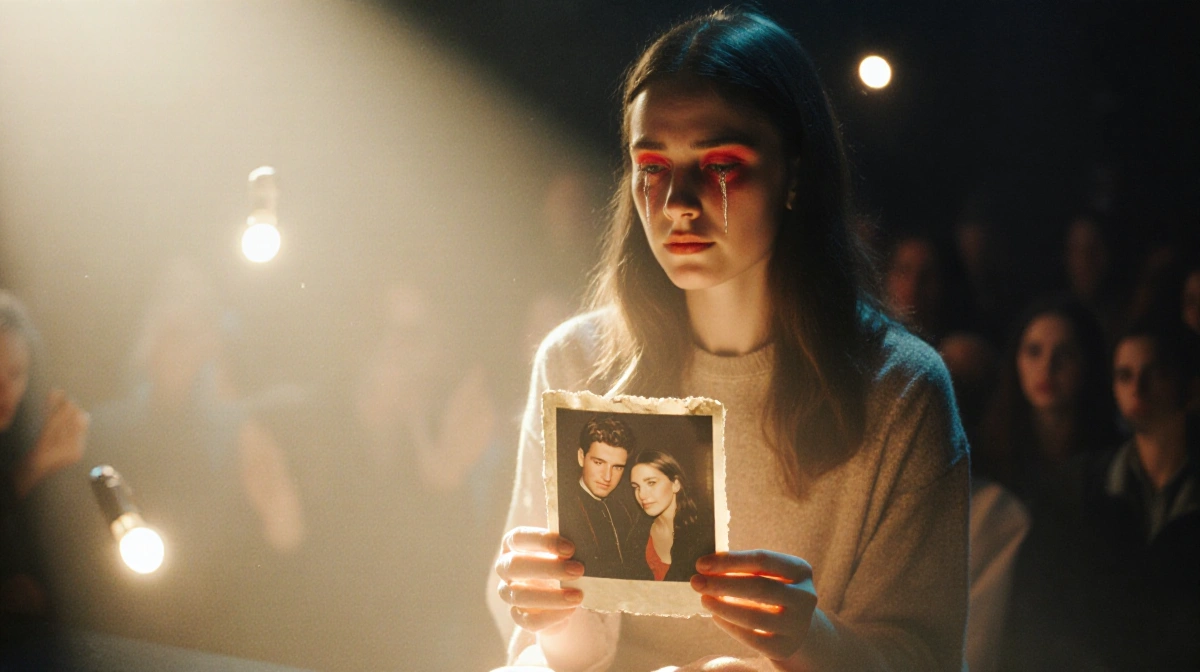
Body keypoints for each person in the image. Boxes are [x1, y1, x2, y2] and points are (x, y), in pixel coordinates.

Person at [489, 9, 969, 671]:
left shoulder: (900, 392)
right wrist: (557, 614)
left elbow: (924, 657)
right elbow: (545, 650)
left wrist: (810, 641)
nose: (678, 203)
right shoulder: (578, 364)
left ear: (795, 174)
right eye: (651, 168)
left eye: (719, 165)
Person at [1001, 317, 1200, 669]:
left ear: (1189, 386)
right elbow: (1042, 606)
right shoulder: (1079, 486)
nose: (1137, 388)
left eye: (1155, 374)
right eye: (1124, 375)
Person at [0, 292, 88, 632]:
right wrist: (34, 467)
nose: (3, 391)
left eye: (16, 373)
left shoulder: (26, 440)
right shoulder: (31, 459)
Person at [978, 294, 1119, 501]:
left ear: (1088, 364)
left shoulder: (1115, 460)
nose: (1047, 367)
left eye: (1065, 353)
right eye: (1034, 352)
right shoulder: (985, 454)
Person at [558, 415, 639, 579]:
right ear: (581, 457)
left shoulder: (625, 511)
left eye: (617, 467)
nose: (607, 477)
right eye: (598, 463)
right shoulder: (562, 509)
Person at [625, 450, 713, 583]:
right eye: (636, 487)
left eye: (651, 483)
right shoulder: (637, 533)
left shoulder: (706, 534)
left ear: (675, 484)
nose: (641, 495)